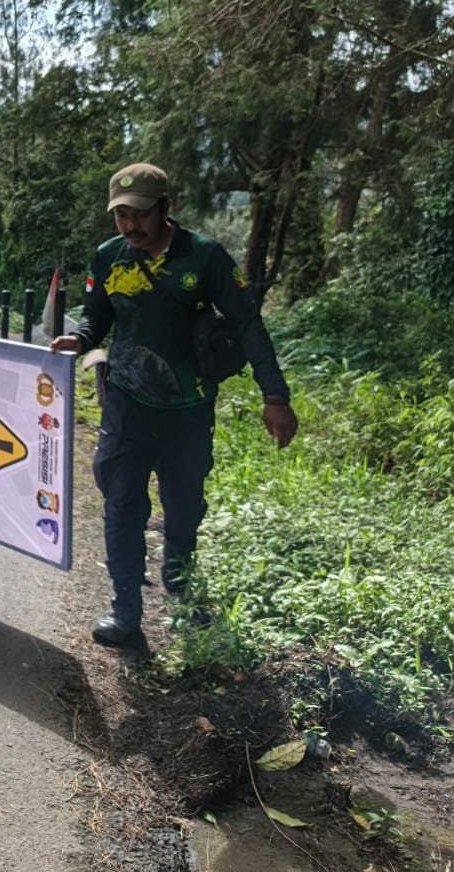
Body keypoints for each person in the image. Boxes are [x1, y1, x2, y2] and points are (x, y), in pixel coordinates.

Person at [50, 162, 298, 660]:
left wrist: (275, 396)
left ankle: (179, 585)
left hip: (188, 411)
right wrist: (78, 339)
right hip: (125, 405)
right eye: (120, 215)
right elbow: (97, 318)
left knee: (183, 508)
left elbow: (248, 324)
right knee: (122, 507)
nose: (129, 226)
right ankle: (125, 611)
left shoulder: (203, 258)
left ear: (166, 207)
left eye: (139, 215)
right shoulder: (108, 258)